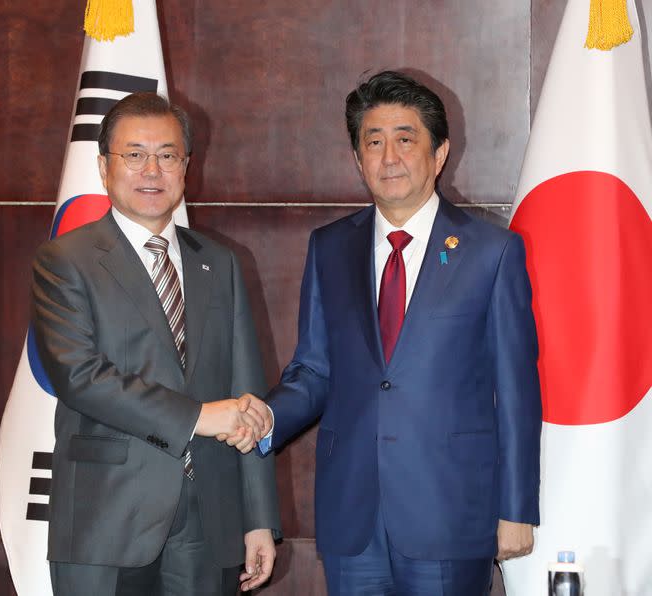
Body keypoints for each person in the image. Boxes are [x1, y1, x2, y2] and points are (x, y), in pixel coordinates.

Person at [255, 70, 542, 595]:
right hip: (353, 517)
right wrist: (266, 418)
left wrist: (516, 508)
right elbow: (315, 368)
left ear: (439, 154)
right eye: (374, 141)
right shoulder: (330, 248)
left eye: (406, 140)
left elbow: (518, 389)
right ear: (357, 158)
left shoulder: (491, 252)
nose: (389, 157)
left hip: (450, 513)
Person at [31, 92, 280, 596]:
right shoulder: (65, 261)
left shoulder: (220, 261)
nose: (152, 170)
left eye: (167, 155)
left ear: (186, 166)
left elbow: (246, 393)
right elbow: (78, 376)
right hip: (106, 520)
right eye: (135, 154)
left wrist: (258, 518)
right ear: (104, 167)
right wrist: (197, 417)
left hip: (207, 520)